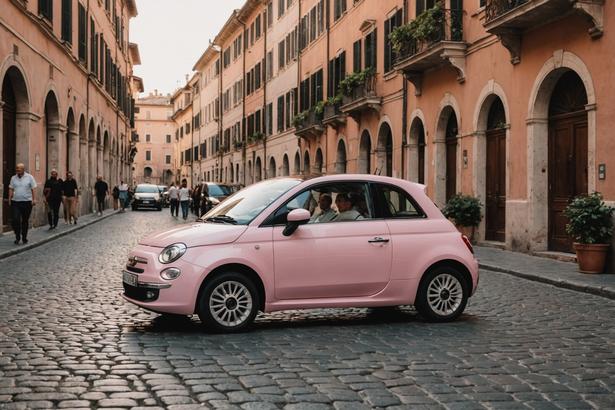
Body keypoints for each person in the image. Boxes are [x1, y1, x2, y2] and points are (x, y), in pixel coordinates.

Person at [8, 163, 37, 244]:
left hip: (27, 202)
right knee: (15, 219)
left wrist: (34, 199)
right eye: (16, 168)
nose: (17, 170)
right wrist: (10, 199)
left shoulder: (29, 177)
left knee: (25, 220)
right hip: (15, 202)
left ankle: (24, 237)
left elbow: (33, 188)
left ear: (23, 169)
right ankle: (17, 236)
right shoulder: (13, 178)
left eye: (19, 169)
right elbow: (10, 188)